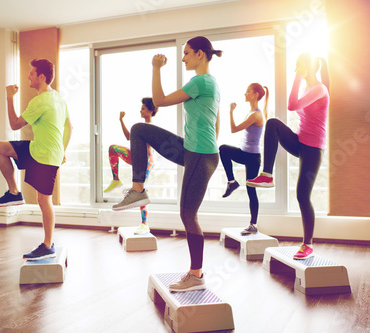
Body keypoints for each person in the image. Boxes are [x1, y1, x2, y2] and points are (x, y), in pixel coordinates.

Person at [112, 36, 221, 292]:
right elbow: (215, 124)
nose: (183, 58)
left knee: (187, 215)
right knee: (139, 129)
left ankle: (196, 275)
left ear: (200, 55)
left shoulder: (201, 81)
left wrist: (156, 68)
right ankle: (138, 190)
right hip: (193, 149)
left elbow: (158, 101)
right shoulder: (211, 83)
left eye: (187, 53)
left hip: (199, 155)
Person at [247, 52, 330, 260]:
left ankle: (307, 244)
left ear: (308, 67)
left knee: (302, 195)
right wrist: (300, 78)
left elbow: (292, 106)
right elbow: (293, 104)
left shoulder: (320, 89)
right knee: (273, 124)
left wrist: (299, 76)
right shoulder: (308, 89)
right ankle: (266, 174)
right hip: (300, 142)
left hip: (313, 149)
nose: (296, 70)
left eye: (299, 66)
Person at [0, 58, 73, 261]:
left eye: (31, 73)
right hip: (40, 150)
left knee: (44, 200)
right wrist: (62, 151)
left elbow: (15, 124)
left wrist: (9, 97)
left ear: (41, 77)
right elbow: (70, 127)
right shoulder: (58, 98)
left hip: (43, 155)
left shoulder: (40, 100)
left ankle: (47, 245)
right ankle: (14, 192)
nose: (28, 77)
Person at [219, 83, 268, 235]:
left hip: (251, 157)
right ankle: (232, 182)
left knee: (251, 190)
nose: (245, 94)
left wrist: (230, 112)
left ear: (255, 95)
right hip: (246, 153)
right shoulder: (254, 112)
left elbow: (234, 129)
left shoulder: (255, 115)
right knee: (224, 150)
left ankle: (253, 225)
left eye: (247, 91)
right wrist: (268, 94)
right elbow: (266, 107)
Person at [104, 98, 158, 234]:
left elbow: (150, 148)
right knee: (113, 149)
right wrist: (121, 120)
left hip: (146, 160)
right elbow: (129, 137)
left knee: (141, 191)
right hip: (136, 157)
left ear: (151, 111)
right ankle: (116, 179)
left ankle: (144, 223)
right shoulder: (141, 126)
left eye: (143, 108)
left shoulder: (150, 127)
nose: (140, 110)